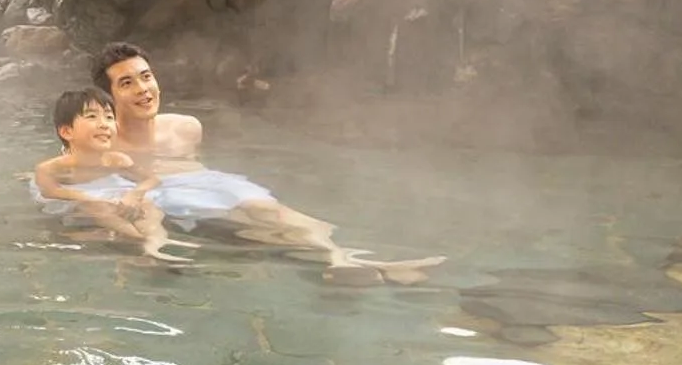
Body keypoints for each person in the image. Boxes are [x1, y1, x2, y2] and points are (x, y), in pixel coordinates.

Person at [93, 42, 443, 284]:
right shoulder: (105, 147)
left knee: (276, 216)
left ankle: (342, 257)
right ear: (110, 97)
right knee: (260, 230)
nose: (143, 89)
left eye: (146, 76)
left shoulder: (187, 128)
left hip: (212, 183)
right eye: (127, 83)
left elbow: (205, 172)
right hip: (170, 195)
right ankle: (346, 263)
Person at [33, 87, 198, 263]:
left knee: (146, 203)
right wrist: (90, 199)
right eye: (92, 116)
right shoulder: (51, 168)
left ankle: (157, 238)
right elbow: (50, 192)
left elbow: (152, 179)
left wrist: (134, 194)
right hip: (77, 197)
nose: (104, 124)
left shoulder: (117, 160)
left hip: (106, 190)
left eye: (109, 117)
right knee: (95, 207)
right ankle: (143, 241)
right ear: (67, 132)